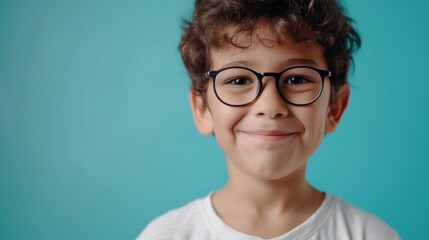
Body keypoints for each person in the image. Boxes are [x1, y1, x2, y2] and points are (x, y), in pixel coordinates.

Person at [137, 0, 400, 239]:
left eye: (297, 79)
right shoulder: (166, 235)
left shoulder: (371, 235)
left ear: (334, 108)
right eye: (238, 80)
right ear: (202, 108)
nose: (270, 106)